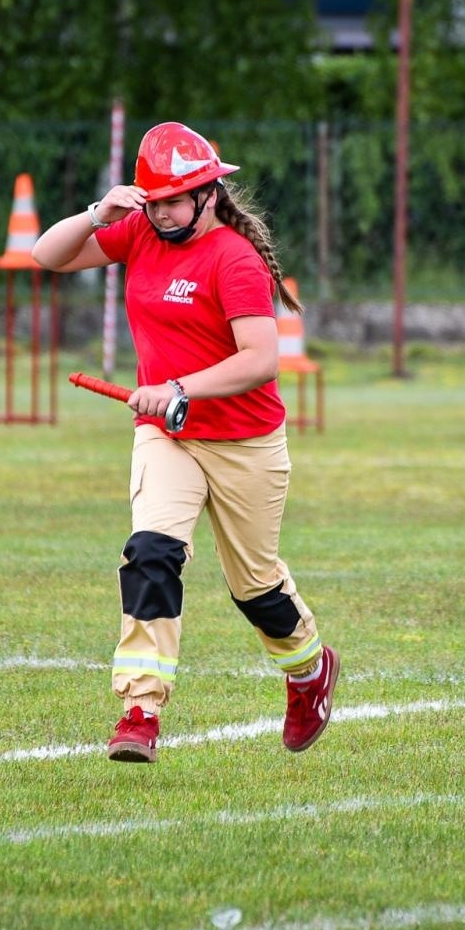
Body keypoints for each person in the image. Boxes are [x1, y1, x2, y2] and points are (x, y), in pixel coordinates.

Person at [32, 121, 338, 763]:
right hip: (167, 436)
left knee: (255, 587)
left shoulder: (234, 258)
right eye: (155, 198)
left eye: (174, 199)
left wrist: (177, 386)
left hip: (245, 442)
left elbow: (260, 360)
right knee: (150, 552)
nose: (162, 210)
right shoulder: (139, 230)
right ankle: (140, 711)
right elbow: (47, 256)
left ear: (206, 194)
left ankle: (309, 670)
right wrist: (97, 213)